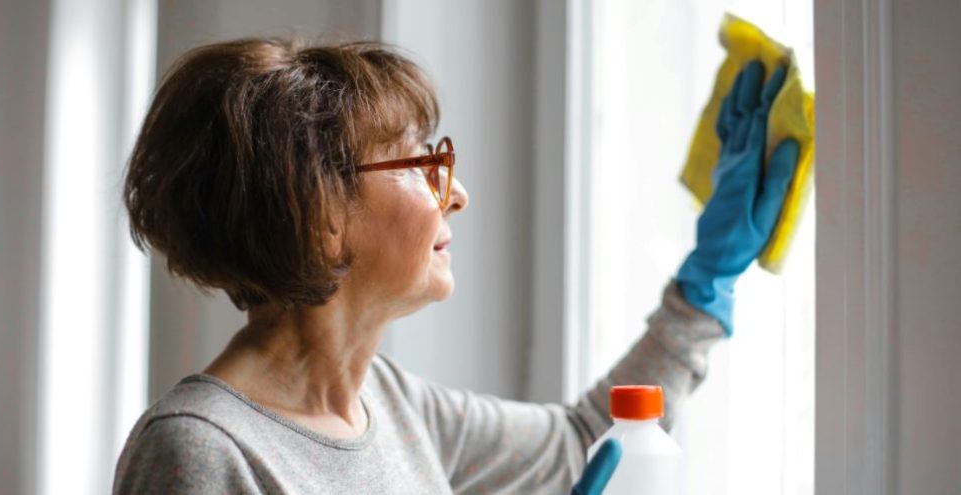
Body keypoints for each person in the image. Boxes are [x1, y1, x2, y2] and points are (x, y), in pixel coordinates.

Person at [113, 37, 797, 494]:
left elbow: (581, 444)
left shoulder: (392, 403)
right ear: (318, 213)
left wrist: (707, 281)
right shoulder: (199, 454)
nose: (458, 193)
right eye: (422, 164)